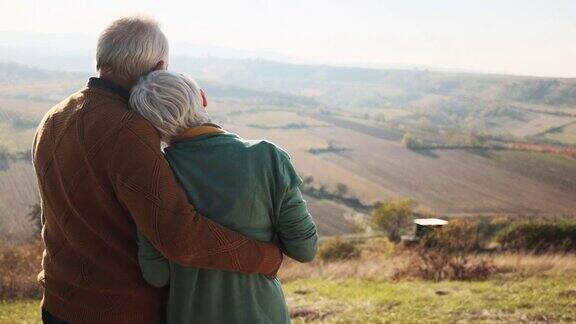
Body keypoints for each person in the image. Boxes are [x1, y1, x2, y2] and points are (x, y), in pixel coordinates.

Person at [33, 16, 283, 324]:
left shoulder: (53, 117)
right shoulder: (130, 129)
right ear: (158, 68)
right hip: (119, 311)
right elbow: (179, 235)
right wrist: (266, 257)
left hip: (58, 303)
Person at [130, 71, 318, 324]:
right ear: (202, 98)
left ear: (153, 127)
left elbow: (156, 274)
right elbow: (305, 249)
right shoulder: (268, 157)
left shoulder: (156, 178)